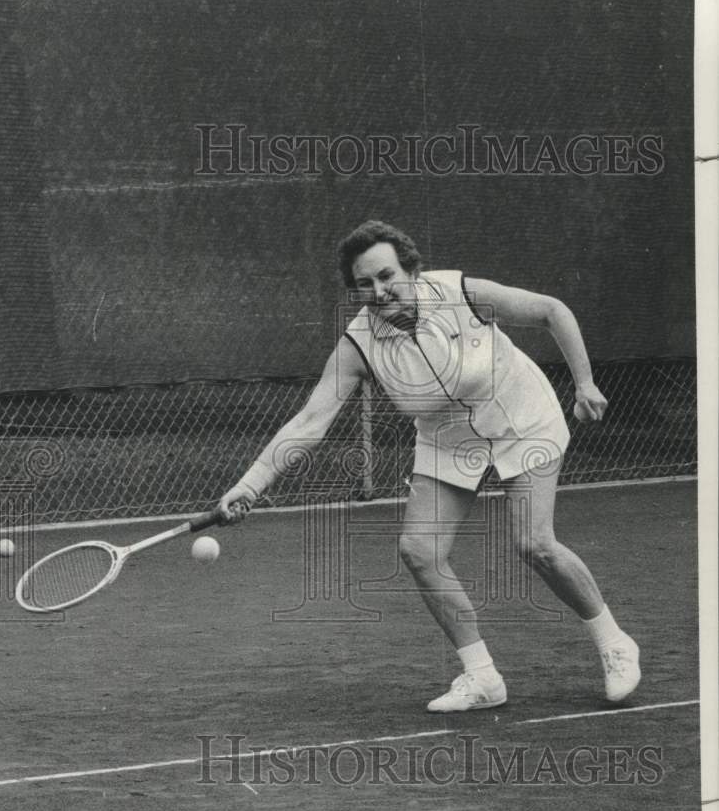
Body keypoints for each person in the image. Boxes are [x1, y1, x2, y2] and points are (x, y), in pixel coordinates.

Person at [219, 220, 640, 712]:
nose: (379, 291)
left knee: (534, 543)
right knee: (419, 550)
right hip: (448, 437)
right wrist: (250, 485)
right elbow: (310, 420)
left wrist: (584, 383)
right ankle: (482, 677)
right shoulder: (359, 345)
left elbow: (551, 310)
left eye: (387, 276)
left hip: (521, 417)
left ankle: (614, 643)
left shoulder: (461, 293)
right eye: (365, 284)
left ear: (411, 270)